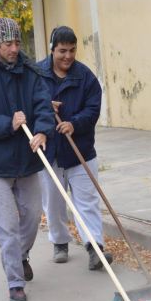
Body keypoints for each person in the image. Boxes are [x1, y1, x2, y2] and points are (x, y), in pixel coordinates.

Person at [0, 17, 55, 301]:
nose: (14, 48)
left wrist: (42, 131)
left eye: (17, 42)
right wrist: (9, 123)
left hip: (28, 158)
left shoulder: (30, 70)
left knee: (31, 217)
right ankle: (15, 282)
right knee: (7, 224)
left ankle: (21, 255)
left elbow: (43, 104)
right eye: (8, 44)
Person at [38, 26, 113, 271]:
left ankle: (95, 248)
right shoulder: (37, 75)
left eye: (72, 50)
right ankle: (60, 242)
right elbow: (27, 104)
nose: (67, 56)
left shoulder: (85, 77)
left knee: (87, 202)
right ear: (52, 49)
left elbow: (93, 109)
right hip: (49, 153)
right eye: (62, 51)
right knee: (54, 203)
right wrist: (45, 108)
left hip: (80, 151)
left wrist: (74, 123)